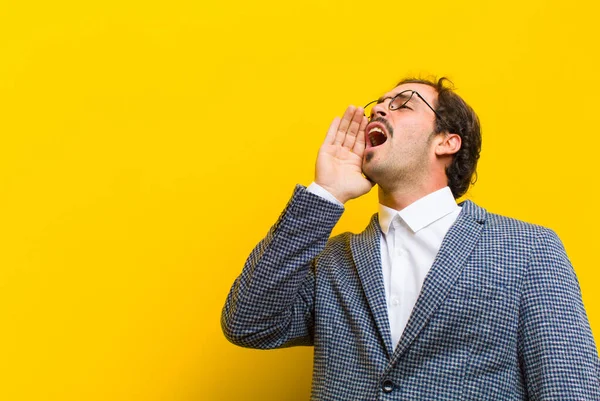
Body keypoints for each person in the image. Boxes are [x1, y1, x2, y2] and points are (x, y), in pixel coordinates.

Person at [221, 77, 600, 400]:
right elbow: (248, 324)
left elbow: (569, 387)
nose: (380, 111)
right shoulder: (333, 261)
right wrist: (326, 192)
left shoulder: (529, 249)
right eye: (378, 106)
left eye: (403, 104)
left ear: (447, 142)